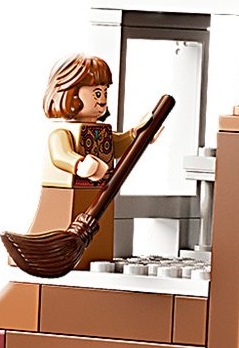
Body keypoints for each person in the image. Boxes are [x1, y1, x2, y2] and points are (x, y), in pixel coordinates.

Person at [20, 55, 165, 268]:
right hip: (66, 193)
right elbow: (60, 155)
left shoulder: (101, 131)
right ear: (70, 94)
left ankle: (94, 259)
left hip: (100, 191)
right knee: (59, 225)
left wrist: (137, 135)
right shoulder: (62, 132)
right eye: (97, 93)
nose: (103, 99)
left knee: (99, 233)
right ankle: (48, 256)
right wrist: (80, 165)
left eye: (105, 92)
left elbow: (118, 145)